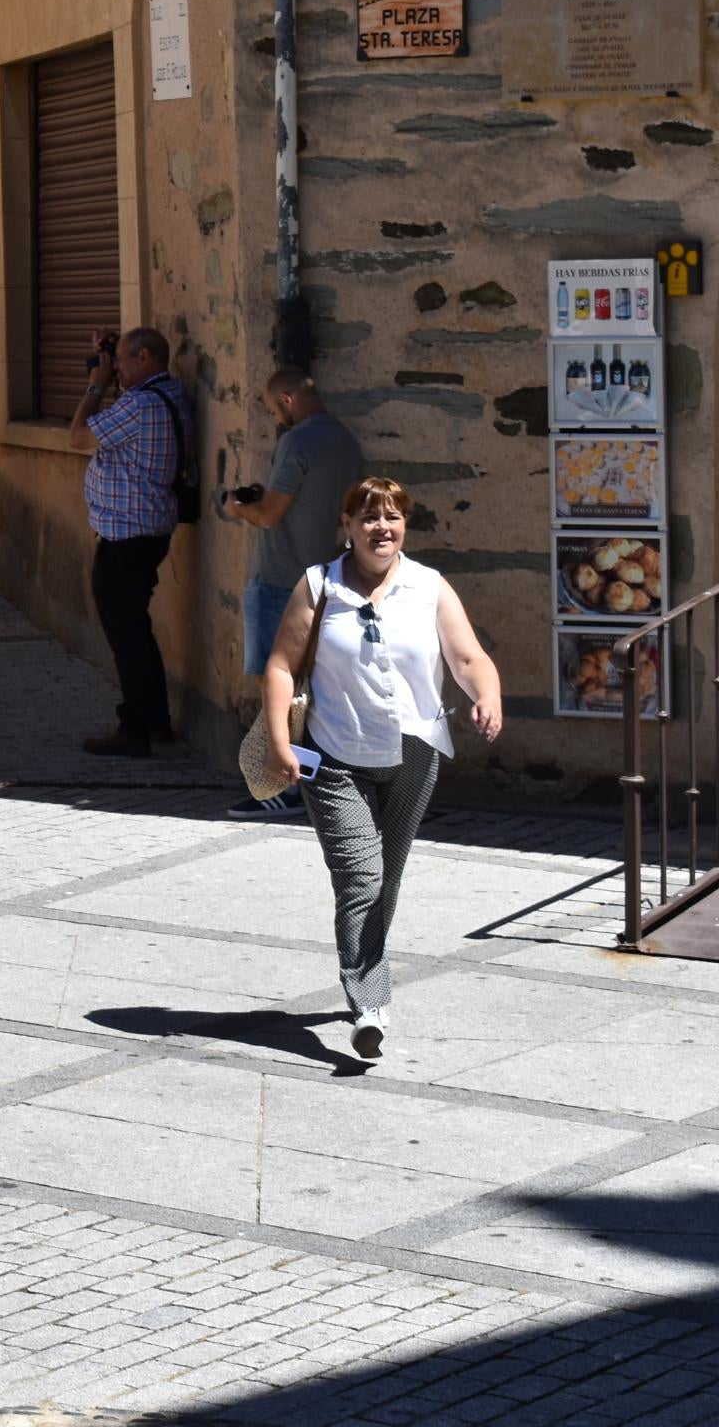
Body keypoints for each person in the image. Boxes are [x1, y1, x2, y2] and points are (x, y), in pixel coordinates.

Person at [258, 478, 503, 1063]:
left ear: (405, 527)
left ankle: (364, 971)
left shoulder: (428, 587)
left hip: (414, 751)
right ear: (347, 524)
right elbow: (281, 665)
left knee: (386, 881)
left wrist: (487, 695)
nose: (382, 528)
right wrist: (276, 743)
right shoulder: (320, 586)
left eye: (392, 518)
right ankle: (370, 1004)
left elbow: (467, 657)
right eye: (369, 518)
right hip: (335, 756)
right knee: (360, 880)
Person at [222, 369, 366, 819]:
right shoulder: (347, 442)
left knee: (277, 687)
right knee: (316, 690)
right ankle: (324, 784)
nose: (276, 420)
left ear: (286, 399)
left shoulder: (297, 441)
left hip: (278, 578)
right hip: (325, 579)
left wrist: (235, 505)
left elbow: (268, 516)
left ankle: (278, 789)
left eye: (273, 411)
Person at [72, 325, 191, 758]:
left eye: (121, 358)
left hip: (127, 536)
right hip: (148, 529)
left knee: (127, 637)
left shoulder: (140, 404)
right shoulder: (167, 393)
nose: (115, 366)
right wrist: (111, 353)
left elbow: (79, 435)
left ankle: (134, 729)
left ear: (145, 358)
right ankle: (156, 720)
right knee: (137, 630)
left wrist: (95, 386)